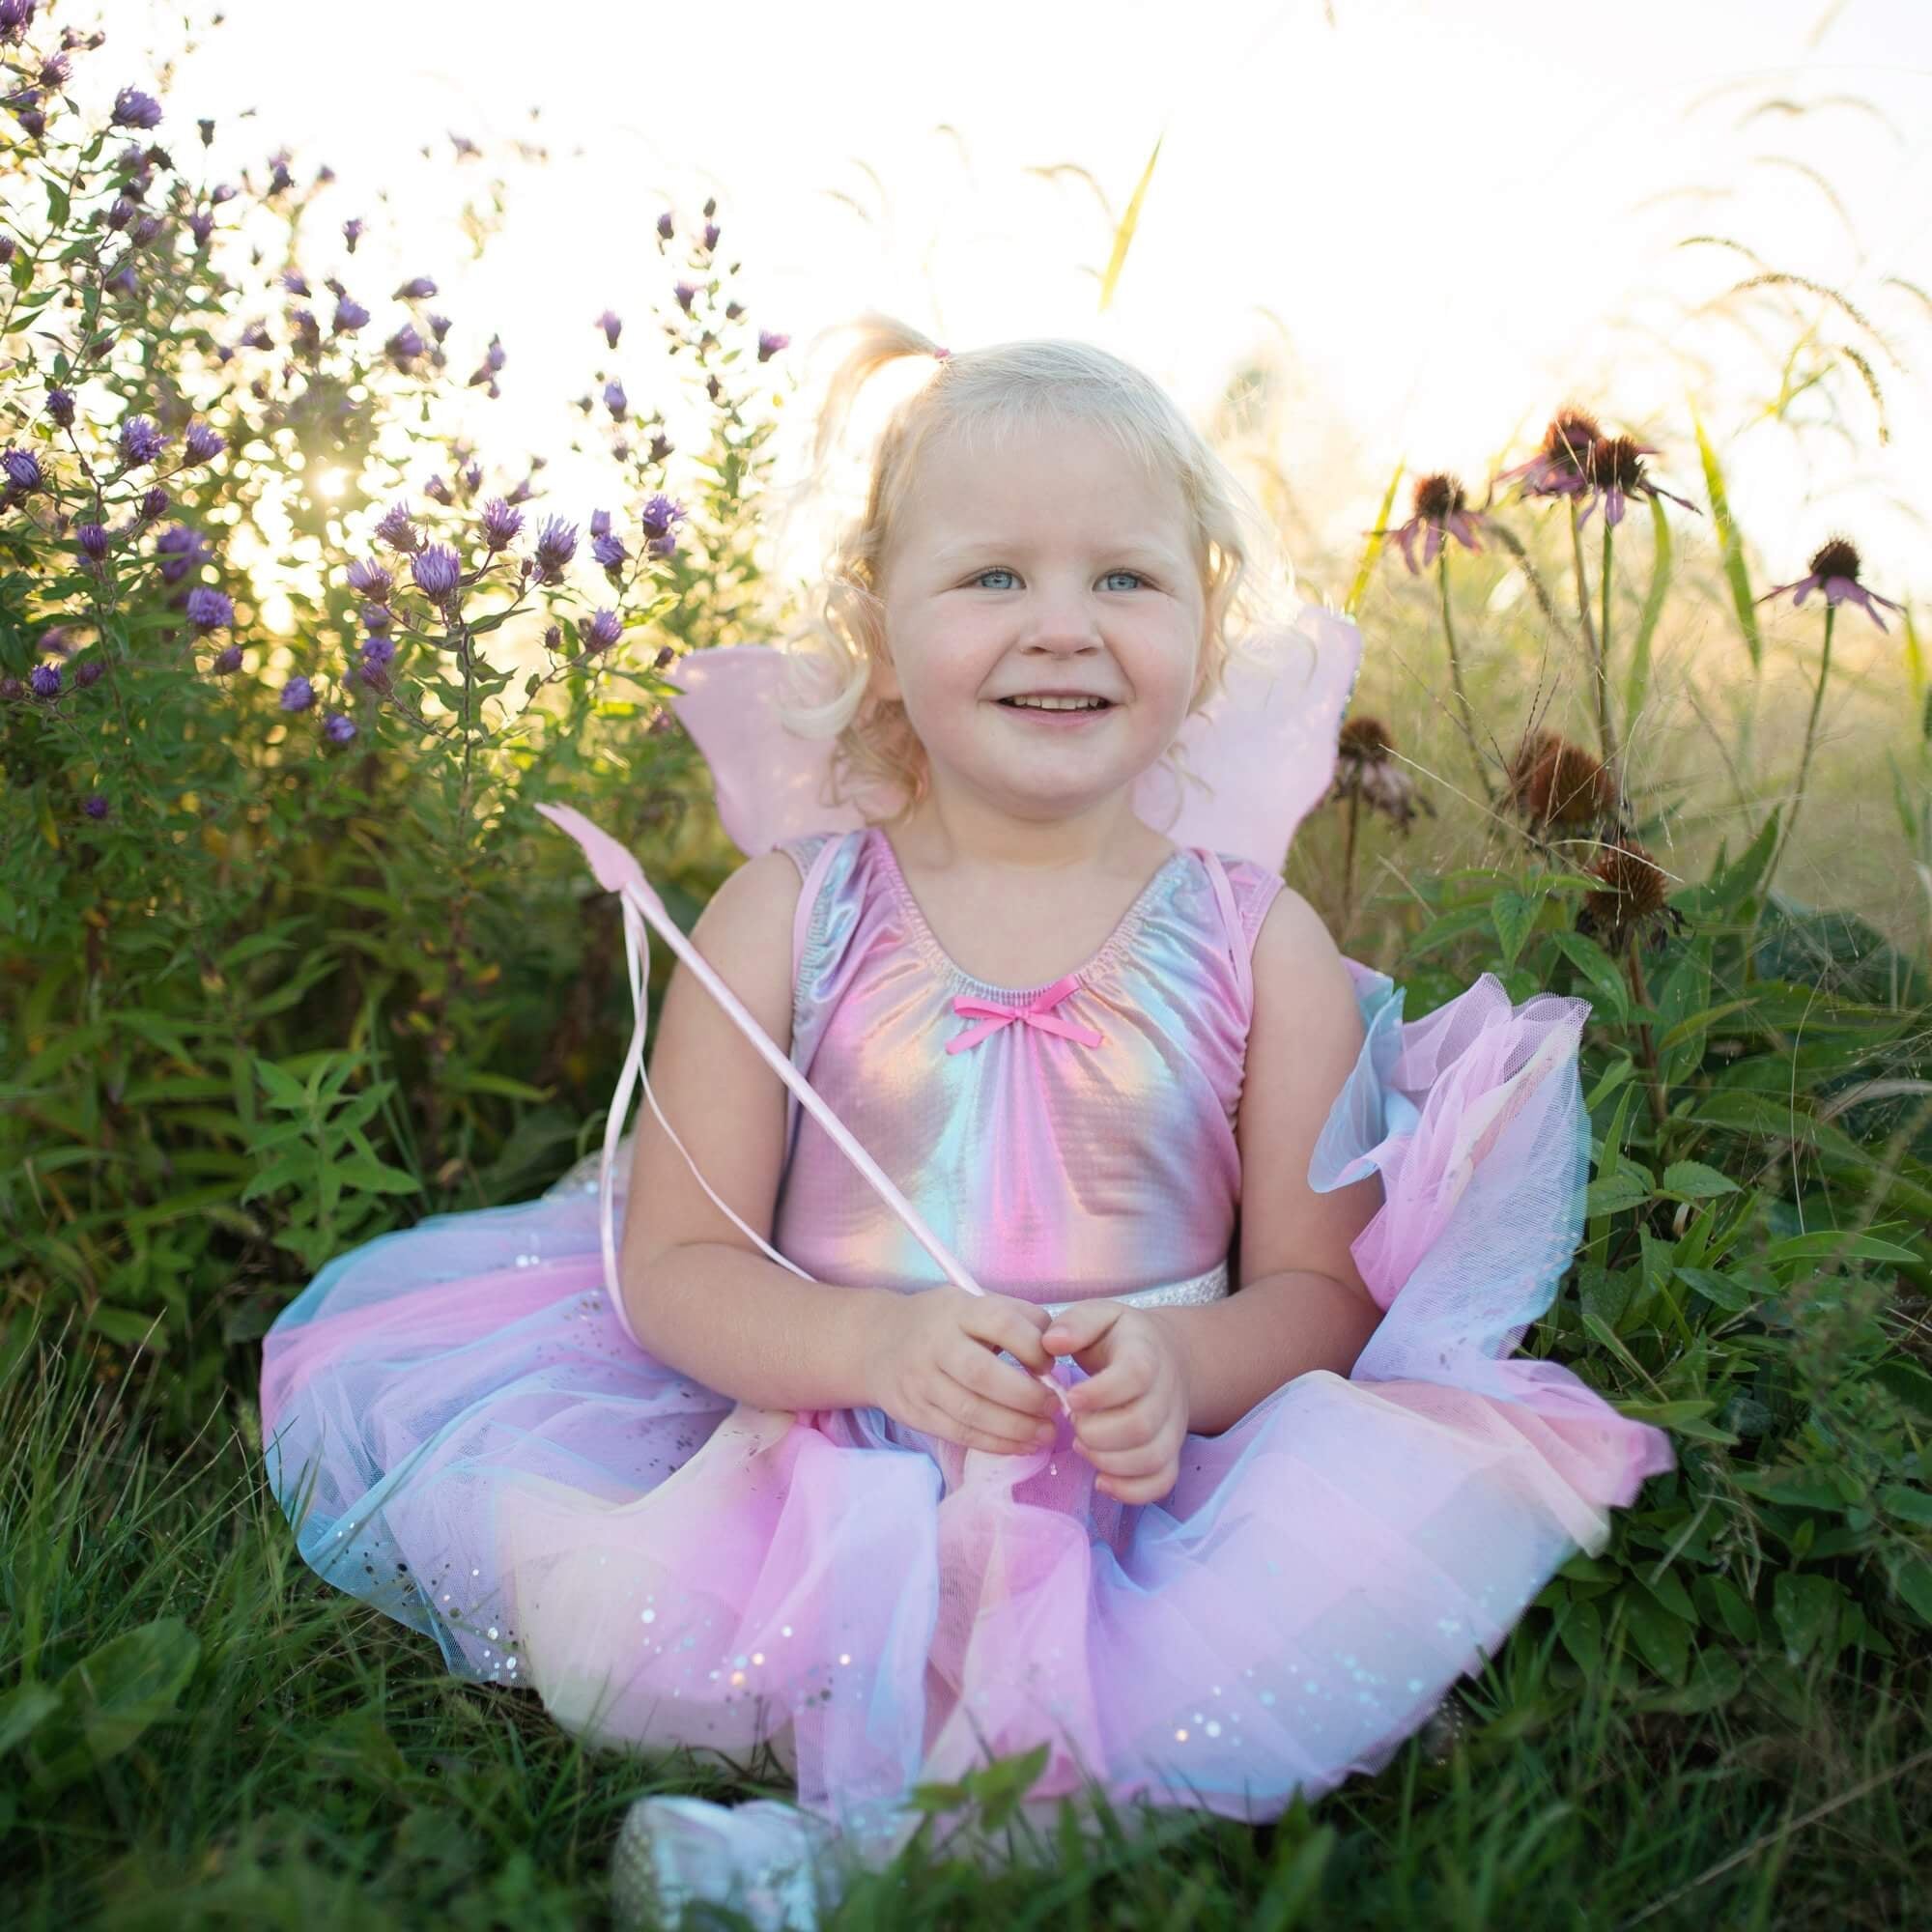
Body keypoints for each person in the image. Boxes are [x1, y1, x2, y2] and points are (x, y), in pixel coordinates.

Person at [259, 318, 1676, 1930]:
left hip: (1130, 1465)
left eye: (1125, 580)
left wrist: (1186, 1370)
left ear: (1208, 627)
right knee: (837, 1593)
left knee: (1107, 1655)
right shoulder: (793, 914)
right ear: (877, 622)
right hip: (820, 1437)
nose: (1061, 628)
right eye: (993, 577)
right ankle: (878, 1833)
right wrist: (870, 1356)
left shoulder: (1252, 938)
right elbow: (674, 1259)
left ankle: (832, 1869)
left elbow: (1319, 1291)